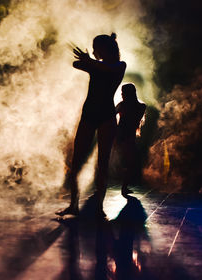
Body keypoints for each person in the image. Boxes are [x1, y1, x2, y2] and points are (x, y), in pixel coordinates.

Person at [56, 33, 126, 217]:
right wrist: (89, 62)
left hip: (107, 116)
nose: (94, 51)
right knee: (76, 162)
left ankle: (100, 208)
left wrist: (91, 62)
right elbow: (76, 64)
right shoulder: (97, 67)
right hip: (89, 115)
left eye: (96, 47)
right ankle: (73, 205)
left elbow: (109, 70)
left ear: (105, 49)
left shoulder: (119, 65)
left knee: (102, 164)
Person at [115, 83, 146, 196]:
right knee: (128, 162)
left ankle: (124, 187)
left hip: (125, 136)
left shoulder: (124, 105)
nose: (122, 95)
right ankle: (124, 187)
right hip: (124, 136)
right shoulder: (140, 106)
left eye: (123, 93)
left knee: (128, 162)